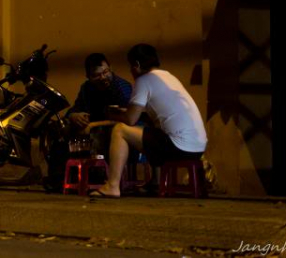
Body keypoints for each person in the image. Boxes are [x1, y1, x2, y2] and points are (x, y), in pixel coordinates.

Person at [89, 43, 207, 198]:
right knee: (152, 129)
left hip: (179, 147)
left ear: (136, 65)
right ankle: (156, 182)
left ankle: (112, 186)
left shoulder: (144, 80)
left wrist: (112, 114)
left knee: (120, 129)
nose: (131, 70)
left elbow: (130, 119)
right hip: (198, 147)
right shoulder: (168, 77)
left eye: (131, 66)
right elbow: (146, 113)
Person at [42, 53, 132, 192]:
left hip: (113, 133)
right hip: (89, 130)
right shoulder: (87, 88)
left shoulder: (122, 87)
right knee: (60, 132)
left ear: (110, 68)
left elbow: (126, 119)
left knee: (96, 135)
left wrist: (93, 125)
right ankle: (59, 179)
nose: (103, 78)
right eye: (97, 75)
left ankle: (97, 179)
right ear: (88, 77)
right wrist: (74, 116)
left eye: (105, 72)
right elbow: (74, 109)